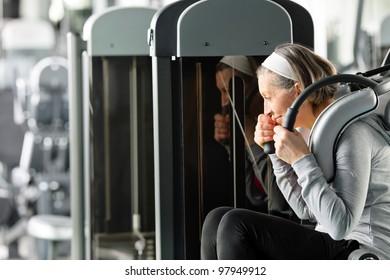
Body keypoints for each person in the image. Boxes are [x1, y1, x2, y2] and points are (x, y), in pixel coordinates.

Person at [201, 43, 390, 260]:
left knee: (237, 225)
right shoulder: (314, 131)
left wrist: (301, 159)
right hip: (333, 241)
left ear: (298, 91)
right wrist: (274, 152)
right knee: (216, 219)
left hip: (364, 252)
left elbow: (340, 227)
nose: (266, 109)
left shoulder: (352, 132)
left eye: (268, 97)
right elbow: (305, 210)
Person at [212, 56, 293, 216]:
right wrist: (233, 145)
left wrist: (252, 140)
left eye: (228, 91)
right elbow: (255, 195)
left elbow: (280, 202)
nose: (223, 102)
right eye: (220, 92)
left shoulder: (283, 127)